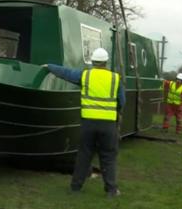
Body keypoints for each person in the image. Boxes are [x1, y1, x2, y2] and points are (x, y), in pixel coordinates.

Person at [43, 48, 125, 197]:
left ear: (93, 61)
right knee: (108, 157)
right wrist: (113, 111)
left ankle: (76, 187)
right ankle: (111, 190)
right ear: (106, 62)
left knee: (84, 155)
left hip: (88, 124)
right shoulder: (115, 78)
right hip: (108, 125)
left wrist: (50, 67)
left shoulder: (85, 75)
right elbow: (122, 101)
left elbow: (66, 73)